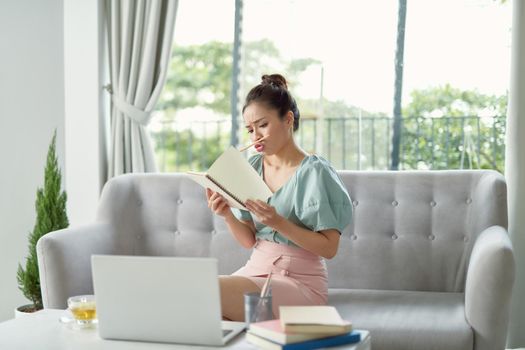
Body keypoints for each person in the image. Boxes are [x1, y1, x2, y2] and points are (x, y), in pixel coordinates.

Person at [206, 74, 352, 321]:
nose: (255, 137)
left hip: (300, 282)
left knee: (207, 291)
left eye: (262, 125)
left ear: (288, 119)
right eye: (250, 129)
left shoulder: (315, 171)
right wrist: (226, 214)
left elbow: (329, 248)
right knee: (197, 304)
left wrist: (279, 223)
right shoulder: (251, 167)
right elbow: (250, 240)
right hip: (256, 270)